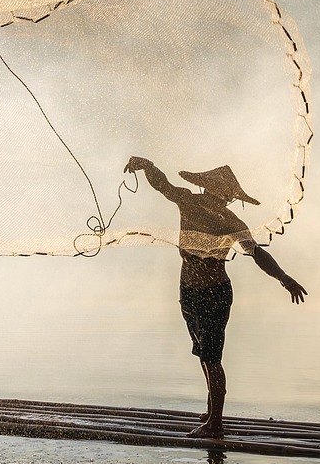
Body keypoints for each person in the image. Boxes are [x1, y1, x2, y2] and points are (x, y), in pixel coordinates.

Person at [125, 156, 307, 438]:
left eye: (223, 195)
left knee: (212, 357)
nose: (220, 198)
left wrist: (283, 277)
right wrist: (147, 165)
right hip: (188, 292)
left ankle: (215, 424)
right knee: (203, 354)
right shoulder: (189, 201)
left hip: (214, 294)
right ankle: (212, 411)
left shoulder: (229, 221)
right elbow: (162, 185)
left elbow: (256, 252)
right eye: (218, 193)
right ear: (209, 190)